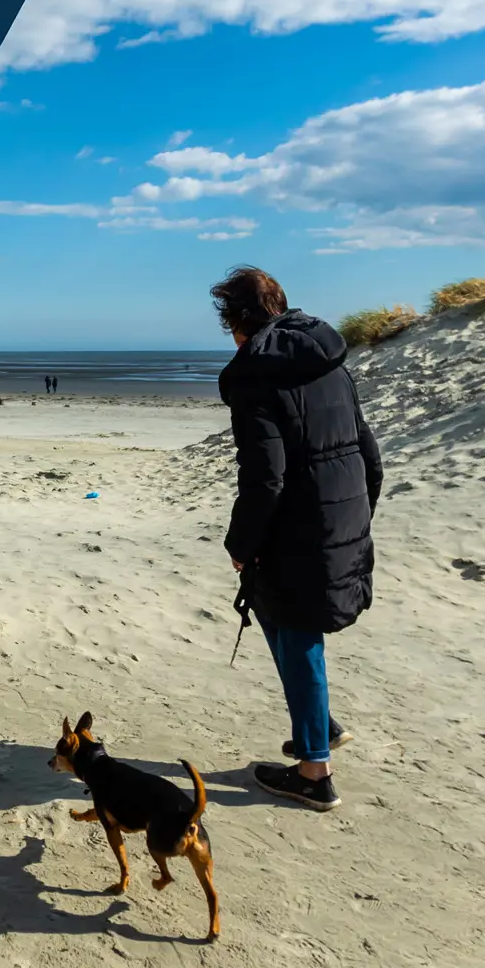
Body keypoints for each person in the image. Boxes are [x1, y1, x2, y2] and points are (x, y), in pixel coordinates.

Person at [212, 266, 382, 811]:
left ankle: (314, 772)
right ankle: (321, 725)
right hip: (342, 509)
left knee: (298, 629)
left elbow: (265, 475)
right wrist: (359, 510)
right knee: (279, 616)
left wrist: (241, 543)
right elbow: (366, 444)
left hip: (299, 522)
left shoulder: (255, 373)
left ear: (237, 320)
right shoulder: (326, 353)